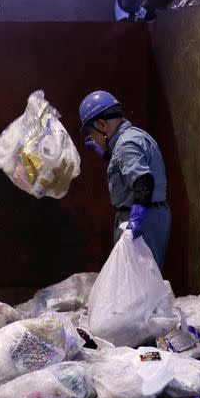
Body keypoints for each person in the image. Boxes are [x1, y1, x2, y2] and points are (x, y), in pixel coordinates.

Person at [79, 90, 171, 269]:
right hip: (151, 213)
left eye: (92, 132)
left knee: (138, 284)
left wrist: (135, 221)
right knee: (137, 281)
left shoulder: (126, 145)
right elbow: (125, 166)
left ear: (102, 124)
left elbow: (143, 181)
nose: (94, 139)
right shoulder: (132, 137)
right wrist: (103, 153)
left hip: (143, 219)